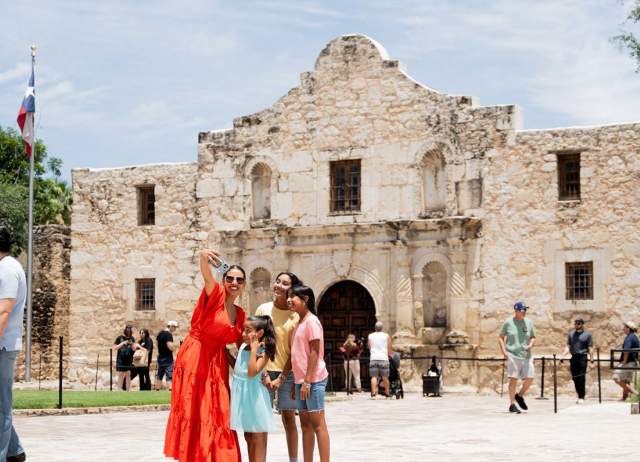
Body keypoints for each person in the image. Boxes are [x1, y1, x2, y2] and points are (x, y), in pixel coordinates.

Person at [164, 249, 247, 462]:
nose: (234, 282)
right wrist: (204, 257)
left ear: (244, 285)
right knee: (196, 408)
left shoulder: (241, 314)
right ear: (224, 279)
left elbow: (243, 347)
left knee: (219, 410)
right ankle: (195, 455)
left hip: (217, 361)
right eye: (230, 278)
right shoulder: (216, 293)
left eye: (239, 280)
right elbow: (206, 274)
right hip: (196, 355)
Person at [255, 272, 301, 462]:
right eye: (277, 281)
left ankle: (293, 460)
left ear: (291, 289)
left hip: (287, 372)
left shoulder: (296, 315)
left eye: (284, 283)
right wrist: (263, 373)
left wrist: (282, 377)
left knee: (289, 419)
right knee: (263, 420)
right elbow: (256, 343)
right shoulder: (262, 309)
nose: (279, 286)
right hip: (263, 371)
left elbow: (295, 350)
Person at [288, 284, 330, 462]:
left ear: (305, 300)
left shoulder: (312, 321)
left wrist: (306, 381)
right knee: (305, 424)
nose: (289, 299)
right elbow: (297, 354)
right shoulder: (299, 322)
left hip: (313, 380)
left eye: (293, 297)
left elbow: (314, 352)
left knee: (318, 424)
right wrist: (296, 381)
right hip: (301, 381)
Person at [230, 315, 276, 462]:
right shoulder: (243, 346)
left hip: (254, 398)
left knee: (257, 436)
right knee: (248, 435)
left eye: (248, 330)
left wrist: (254, 350)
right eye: (244, 330)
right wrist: (224, 353)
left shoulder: (264, 351)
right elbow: (238, 368)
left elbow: (251, 373)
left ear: (260, 333)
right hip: (241, 397)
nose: (243, 334)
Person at [0, 227, 26, 462]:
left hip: (2, 345)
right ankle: (14, 451)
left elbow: (4, 311)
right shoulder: (7, 266)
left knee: (1, 407)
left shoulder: (7, 268)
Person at [498, 301, 536, 414]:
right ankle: (512, 404)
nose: (525, 312)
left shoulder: (529, 322)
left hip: (526, 355)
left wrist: (531, 344)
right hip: (512, 354)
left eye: (526, 310)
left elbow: (533, 337)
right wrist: (504, 351)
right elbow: (500, 337)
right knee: (513, 379)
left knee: (530, 377)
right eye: (524, 310)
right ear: (517, 310)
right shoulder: (508, 323)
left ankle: (519, 396)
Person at [562, 319, 593, 403]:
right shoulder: (571, 334)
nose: (576, 325)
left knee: (581, 377)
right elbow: (568, 346)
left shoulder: (587, 335)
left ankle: (581, 396)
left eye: (578, 324)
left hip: (583, 357)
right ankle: (579, 394)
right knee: (574, 377)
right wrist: (562, 355)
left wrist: (591, 358)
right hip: (574, 357)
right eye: (575, 324)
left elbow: (590, 347)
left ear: (582, 324)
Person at [612, 321, 640, 401]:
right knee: (625, 381)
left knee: (616, 377)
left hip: (628, 363)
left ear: (628, 328)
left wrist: (624, 361)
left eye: (624, 327)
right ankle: (625, 397)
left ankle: (635, 393)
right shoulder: (634, 336)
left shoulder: (629, 338)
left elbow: (626, 351)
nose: (623, 329)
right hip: (633, 362)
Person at [368, 321, 392, 398]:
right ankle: (387, 393)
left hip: (374, 358)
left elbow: (369, 347)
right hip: (383, 358)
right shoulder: (386, 336)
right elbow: (389, 347)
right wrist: (389, 355)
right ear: (382, 328)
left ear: (375, 328)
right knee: (385, 377)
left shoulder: (370, 336)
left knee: (374, 377)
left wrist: (373, 353)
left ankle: (373, 394)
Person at [155, 320, 178, 390]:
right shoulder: (168, 334)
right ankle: (170, 388)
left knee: (160, 373)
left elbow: (156, 343)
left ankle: (157, 388)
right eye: (174, 327)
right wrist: (175, 349)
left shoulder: (160, 333)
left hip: (160, 356)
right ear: (170, 326)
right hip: (167, 357)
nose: (175, 329)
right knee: (169, 373)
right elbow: (169, 345)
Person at [113, 325, 135, 391]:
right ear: (125, 330)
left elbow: (134, 349)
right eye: (127, 329)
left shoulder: (132, 338)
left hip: (129, 359)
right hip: (121, 359)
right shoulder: (120, 338)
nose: (128, 331)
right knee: (121, 374)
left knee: (128, 375)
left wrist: (132, 345)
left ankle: (128, 390)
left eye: (130, 330)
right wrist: (123, 343)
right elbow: (115, 347)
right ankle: (119, 389)